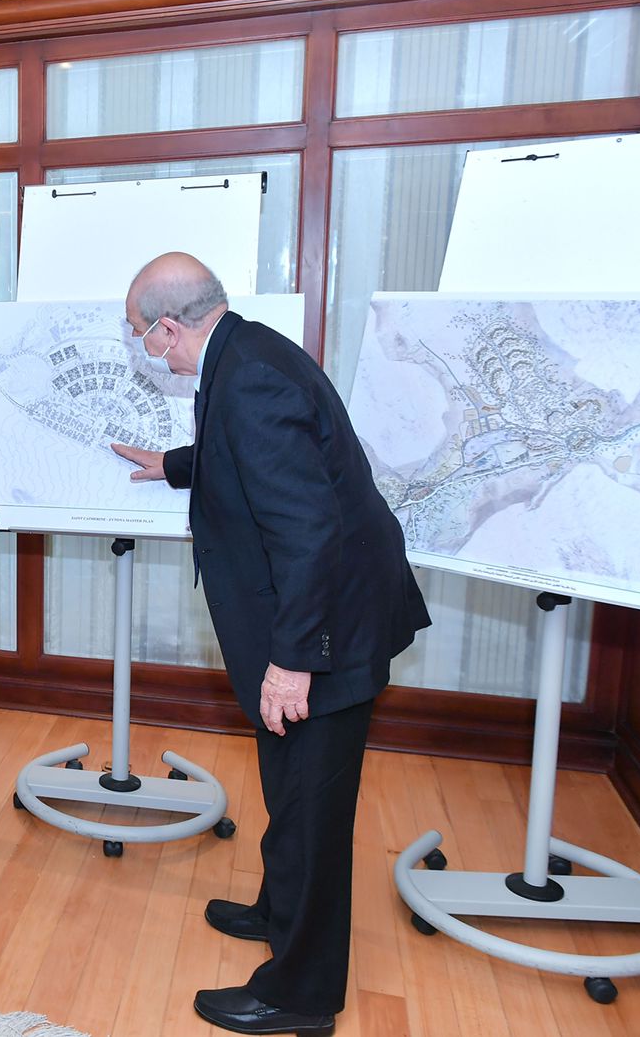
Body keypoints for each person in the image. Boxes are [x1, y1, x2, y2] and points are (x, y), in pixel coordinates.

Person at [112, 252, 430, 1036]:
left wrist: (292, 662)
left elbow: (308, 531)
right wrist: (174, 466)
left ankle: (302, 994)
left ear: (167, 328)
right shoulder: (243, 350)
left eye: (140, 334)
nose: (145, 348)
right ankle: (279, 913)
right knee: (290, 785)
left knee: (315, 810)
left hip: (327, 631)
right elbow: (253, 454)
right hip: (317, 616)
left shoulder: (248, 377)